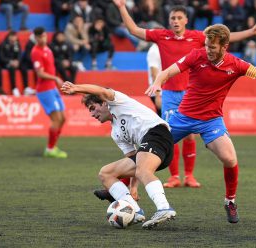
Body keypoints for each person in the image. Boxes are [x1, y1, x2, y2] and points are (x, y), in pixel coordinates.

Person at [146, 24, 256, 224]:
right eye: (206, 45)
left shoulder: (236, 65)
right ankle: (128, 190)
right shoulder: (196, 55)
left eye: (212, 47)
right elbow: (168, 72)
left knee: (230, 159)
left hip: (211, 121)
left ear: (224, 47)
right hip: (183, 117)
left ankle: (230, 201)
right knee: (150, 154)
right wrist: (157, 83)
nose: (208, 50)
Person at [113, 0, 256, 189]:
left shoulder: (197, 37)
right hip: (169, 93)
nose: (176, 21)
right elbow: (134, 30)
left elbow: (224, 39)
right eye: (172, 18)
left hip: (190, 94)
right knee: (167, 136)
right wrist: (122, 7)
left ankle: (189, 176)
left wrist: (251, 32)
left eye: (179, 17)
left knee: (189, 136)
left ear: (186, 19)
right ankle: (174, 176)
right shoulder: (161, 36)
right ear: (168, 21)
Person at [60, 82, 176, 229]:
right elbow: (133, 158)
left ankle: (164, 208)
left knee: (143, 170)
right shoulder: (116, 133)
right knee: (106, 173)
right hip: (150, 148)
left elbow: (101, 90)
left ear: (103, 103)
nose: (92, 114)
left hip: (158, 135)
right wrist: (133, 188)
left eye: (92, 108)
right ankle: (135, 211)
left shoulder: (117, 102)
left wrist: (76, 88)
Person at [31, 27, 67, 159]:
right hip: (44, 90)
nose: (42, 39)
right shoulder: (36, 52)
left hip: (52, 89)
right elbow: (39, 73)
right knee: (56, 119)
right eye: (39, 37)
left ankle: (53, 146)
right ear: (35, 38)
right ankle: (50, 149)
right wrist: (56, 78)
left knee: (63, 118)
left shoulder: (48, 49)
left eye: (44, 36)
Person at [0, 30, 33, 96]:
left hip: (16, 62)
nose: (14, 38)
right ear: (9, 37)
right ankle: (14, 88)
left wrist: (18, 61)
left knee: (24, 67)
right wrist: (10, 61)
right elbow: (1, 57)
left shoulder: (17, 44)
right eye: (12, 37)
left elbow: (20, 55)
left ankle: (26, 88)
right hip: (6, 63)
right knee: (12, 69)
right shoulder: (3, 44)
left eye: (15, 37)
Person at [146, 43, 162, 116]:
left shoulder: (161, 48)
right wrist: (158, 96)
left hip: (164, 91)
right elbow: (154, 74)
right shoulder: (154, 51)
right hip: (160, 93)